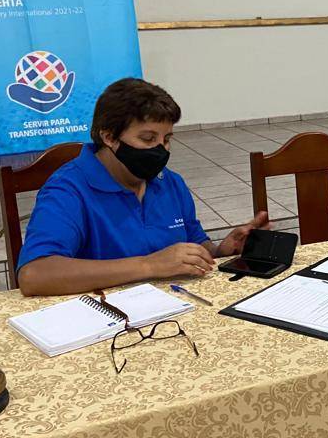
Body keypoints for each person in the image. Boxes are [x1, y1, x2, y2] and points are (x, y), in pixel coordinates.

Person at [18, 78, 269, 296]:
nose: (160, 149)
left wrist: (221, 252)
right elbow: (34, 275)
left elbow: (195, 243)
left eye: (166, 139)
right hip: (106, 317)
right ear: (109, 137)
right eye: (148, 138)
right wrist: (149, 265)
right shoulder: (69, 189)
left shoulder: (169, 183)